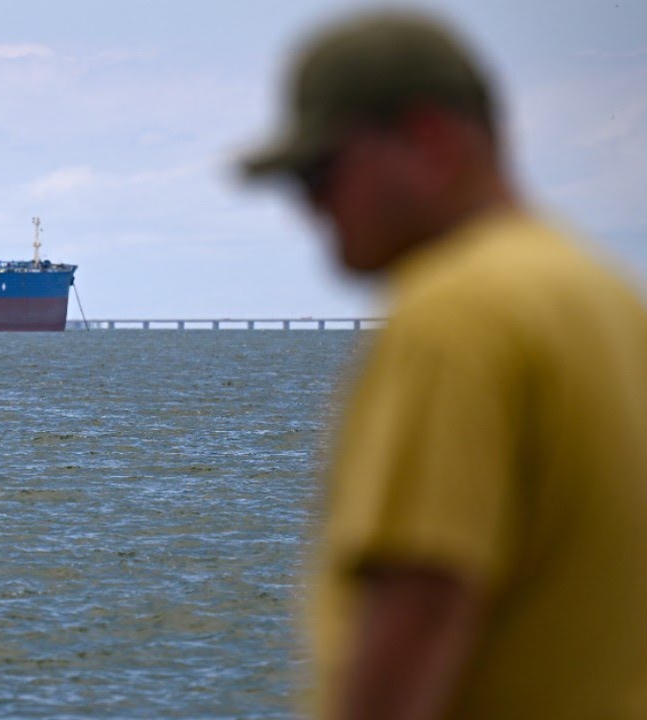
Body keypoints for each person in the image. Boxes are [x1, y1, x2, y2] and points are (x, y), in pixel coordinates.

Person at [240, 10, 647, 720]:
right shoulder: (606, 297)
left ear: (427, 140)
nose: (310, 210)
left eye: (320, 173)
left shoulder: (456, 316)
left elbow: (423, 602)